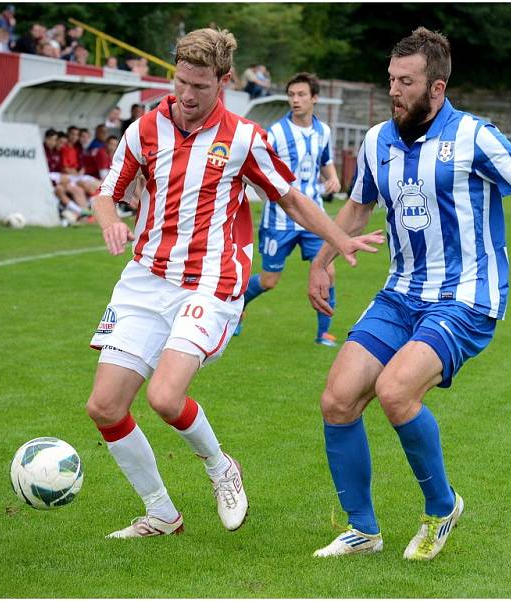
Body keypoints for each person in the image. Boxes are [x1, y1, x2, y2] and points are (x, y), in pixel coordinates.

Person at [307, 27, 511, 561]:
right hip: (401, 293)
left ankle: (442, 509)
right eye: (391, 79)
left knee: (398, 392)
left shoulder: (475, 136)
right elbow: (357, 207)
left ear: (437, 88)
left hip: (467, 296)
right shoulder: (378, 140)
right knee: (337, 399)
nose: (395, 90)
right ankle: (363, 530)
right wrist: (323, 262)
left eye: (407, 81)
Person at [85, 27, 382, 539]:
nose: (187, 95)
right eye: (181, 82)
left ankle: (222, 468)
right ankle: (161, 513)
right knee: (104, 406)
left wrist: (339, 238)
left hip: (210, 282)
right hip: (144, 279)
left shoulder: (244, 138)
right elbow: (106, 191)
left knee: (164, 397)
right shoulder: (144, 130)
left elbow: (291, 198)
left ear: (224, 82)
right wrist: (111, 218)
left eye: (200, 86)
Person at [236, 72, 342, 345]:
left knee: (328, 271)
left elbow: (325, 160)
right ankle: (236, 307)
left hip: (312, 218)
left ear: (314, 98)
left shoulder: (324, 131)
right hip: (279, 218)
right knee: (270, 280)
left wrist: (332, 177)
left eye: (301, 95)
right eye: (292, 95)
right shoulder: (275, 134)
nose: (295, 100)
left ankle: (323, 333)